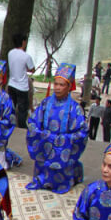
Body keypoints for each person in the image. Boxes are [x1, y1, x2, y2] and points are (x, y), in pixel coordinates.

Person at [26, 63, 88, 194]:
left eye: (62, 85)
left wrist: (63, 140)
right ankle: (43, 179)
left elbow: (82, 132)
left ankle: (61, 181)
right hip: (45, 143)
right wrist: (42, 135)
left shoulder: (74, 108)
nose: (58, 88)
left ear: (69, 87)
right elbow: (32, 122)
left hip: (63, 149)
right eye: (56, 84)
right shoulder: (45, 103)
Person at [6, 32, 35, 128]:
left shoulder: (10, 53)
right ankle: (21, 127)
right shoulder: (26, 56)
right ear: (23, 42)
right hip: (22, 87)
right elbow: (32, 69)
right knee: (23, 109)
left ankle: (9, 124)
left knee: (11, 106)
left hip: (11, 84)